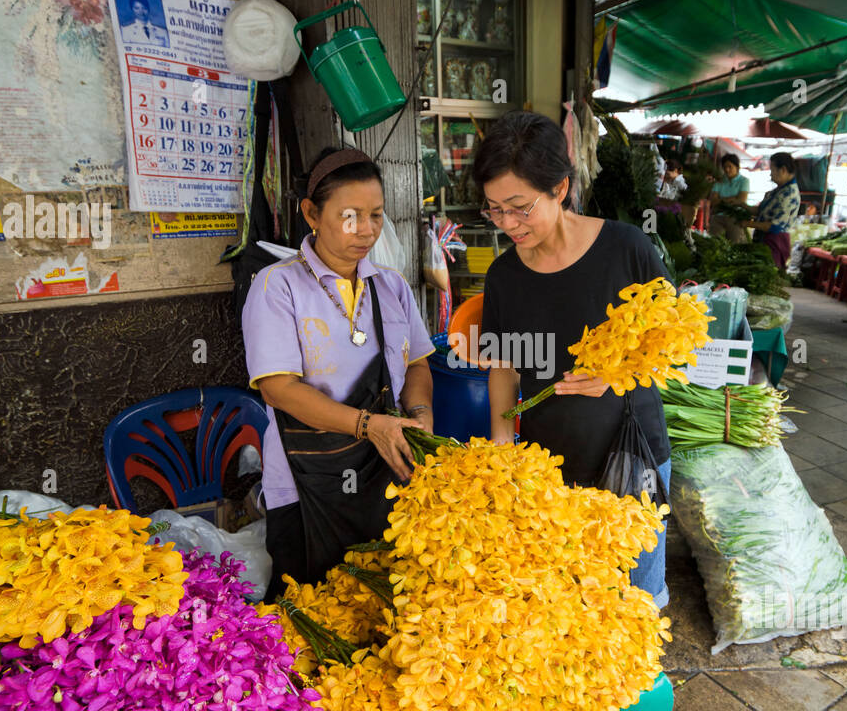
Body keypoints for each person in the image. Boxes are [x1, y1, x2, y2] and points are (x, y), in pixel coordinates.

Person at [475, 110, 672, 609]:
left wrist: (616, 372)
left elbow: (673, 339)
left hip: (631, 457)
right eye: (495, 210)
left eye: (520, 208)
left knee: (632, 602)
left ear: (560, 188)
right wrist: (502, 444)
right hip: (550, 465)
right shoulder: (503, 277)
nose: (507, 224)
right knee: (564, 606)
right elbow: (504, 364)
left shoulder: (626, 248)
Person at [242, 148, 435, 594]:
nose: (366, 230)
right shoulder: (279, 286)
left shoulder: (391, 286)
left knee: (380, 603)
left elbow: (417, 364)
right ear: (312, 213)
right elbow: (278, 389)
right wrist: (369, 425)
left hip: (383, 473)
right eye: (350, 216)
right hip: (307, 481)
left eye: (376, 215)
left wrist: (420, 414)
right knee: (312, 610)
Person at [743, 151, 799, 268]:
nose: (770, 175)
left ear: (782, 170)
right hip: (763, 239)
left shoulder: (789, 194)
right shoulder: (778, 191)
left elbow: (774, 226)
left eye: (772, 170)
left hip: (775, 242)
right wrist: (742, 205)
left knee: (768, 271)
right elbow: (761, 211)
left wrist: (748, 224)